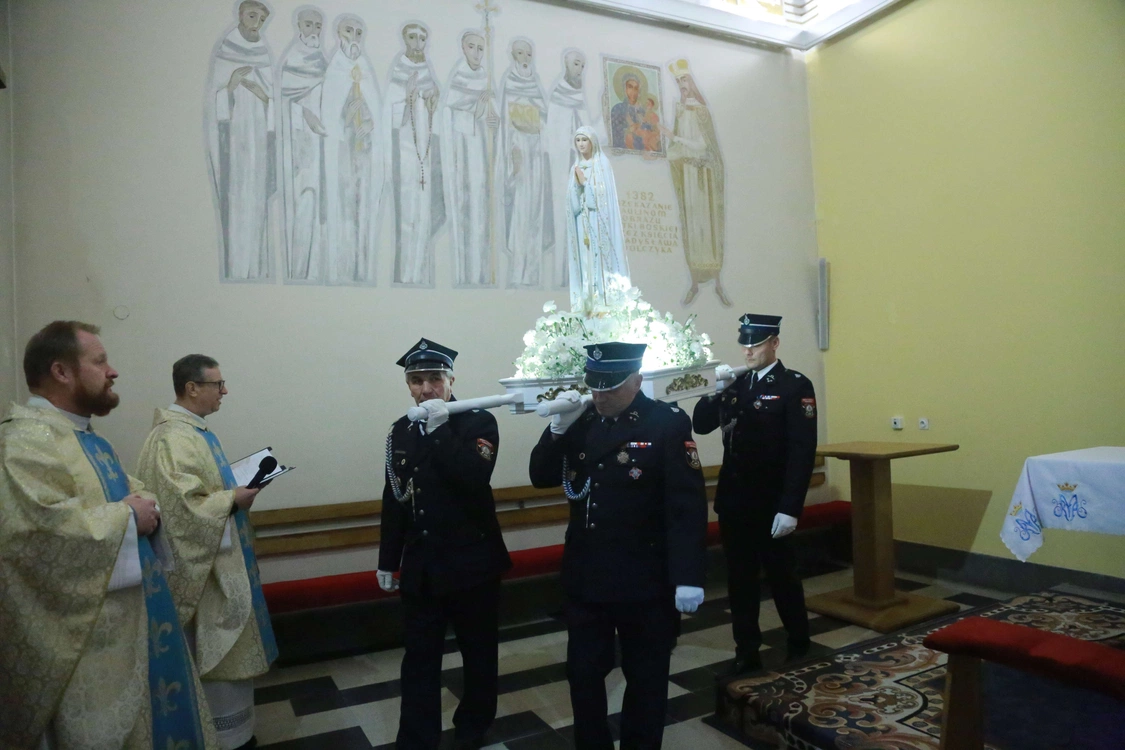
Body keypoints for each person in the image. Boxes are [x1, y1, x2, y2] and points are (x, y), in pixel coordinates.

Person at [0, 321, 217, 750]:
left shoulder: (85, 436)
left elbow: (127, 491)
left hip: (135, 624)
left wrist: (140, 503)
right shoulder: (26, 440)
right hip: (89, 648)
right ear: (62, 371)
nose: (112, 371)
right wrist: (127, 515)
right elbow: (34, 536)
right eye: (100, 362)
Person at [529, 342, 708, 750]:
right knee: (583, 675)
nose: (600, 395)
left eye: (610, 386)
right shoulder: (580, 419)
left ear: (637, 381)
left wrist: (688, 576)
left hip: (645, 578)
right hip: (587, 577)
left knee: (646, 679)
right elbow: (540, 475)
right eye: (594, 385)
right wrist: (556, 429)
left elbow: (685, 505)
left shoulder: (665, 423)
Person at [136, 355, 279, 750]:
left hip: (217, 560)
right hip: (201, 575)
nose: (224, 391)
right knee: (213, 654)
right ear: (192, 387)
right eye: (218, 384)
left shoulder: (194, 432)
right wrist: (232, 498)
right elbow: (181, 507)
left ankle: (235, 734)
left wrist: (233, 490)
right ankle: (222, 738)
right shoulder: (173, 437)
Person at [377, 339, 512, 750]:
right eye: (416, 381)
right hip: (423, 567)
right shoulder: (401, 430)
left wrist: (438, 431)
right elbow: (395, 497)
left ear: (451, 380)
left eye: (435, 378)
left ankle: (473, 728)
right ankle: (417, 739)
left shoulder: (477, 421)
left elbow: (473, 478)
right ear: (408, 386)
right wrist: (388, 559)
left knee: (479, 654)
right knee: (419, 659)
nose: (426, 389)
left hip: (473, 563)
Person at [692, 314, 817, 677]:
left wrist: (790, 508)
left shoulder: (794, 385)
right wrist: (714, 389)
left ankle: (799, 642)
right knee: (740, 581)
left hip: (772, 503)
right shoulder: (735, 383)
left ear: (774, 343)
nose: (748, 351)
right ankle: (746, 650)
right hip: (735, 502)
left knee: (782, 577)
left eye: (756, 344)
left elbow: (801, 451)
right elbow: (701, 424)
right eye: (744, 345)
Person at [206, 0, 276, 281]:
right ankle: (237, 269)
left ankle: (256, 269)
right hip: (234, 143)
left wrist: (265, 97)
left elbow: (272, 99)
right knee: (237, 201)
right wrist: (231, 86)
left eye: (261, 19)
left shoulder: (264, 52)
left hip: (258, 141)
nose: (256, 23)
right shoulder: (227, 48)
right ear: (240, 15)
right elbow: (214, 101)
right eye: (252, 16)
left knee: (257, 202)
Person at [661, 58, 730, 307]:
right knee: (692, 227)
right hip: (689, 174)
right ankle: (694, 283)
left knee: (709, 226)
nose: (682, 84)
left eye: (684, 79)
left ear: (691, 81)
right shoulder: (680, 111)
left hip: (705, 177)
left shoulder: (701, 111)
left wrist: (674, 137)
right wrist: (665, 151)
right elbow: (677, 147)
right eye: (678, 81)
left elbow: (702, 145)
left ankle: (718, 283)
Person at [384, 21, 446, 286]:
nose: (418, 44)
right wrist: (407, 97)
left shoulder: (427, 71)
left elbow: (434, 117)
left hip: (425, 157)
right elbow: (390, 113)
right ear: (404, 39)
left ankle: (420, 275)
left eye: (422, 39)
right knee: (407, 216)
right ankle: (405, 276)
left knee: (422, 216)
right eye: (412, 38)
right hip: (405, 155)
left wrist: (432, 101)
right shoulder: (399, 69)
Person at [321, 13, 382, 284]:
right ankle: (343, 272)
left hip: (364, 153)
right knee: (344, 208)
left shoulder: (365, 69)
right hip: (342, 154)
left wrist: (369, 123)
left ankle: (362, 271)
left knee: (363, 210)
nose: (354, 38)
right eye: (349, 31)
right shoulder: (334, 70)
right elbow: (329, 117)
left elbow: (375, 112)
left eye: (358, 33)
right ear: (338, 35)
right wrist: (346, 117)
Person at [440, 30, 498, 287]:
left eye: (481, 48)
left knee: (482, 213)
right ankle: (467, 275)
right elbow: (450, 117)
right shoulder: (458, 77)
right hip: (464, 159)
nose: (477, 53)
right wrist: (476, 110)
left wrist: (494, 123)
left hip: (482, 159)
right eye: (472, 47)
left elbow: (493, 118)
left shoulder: (487, 78)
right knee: (468, 211)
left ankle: (482, 274)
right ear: (463, 48)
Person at [278, 6, 329, 281]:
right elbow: (283, 102)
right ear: (299, 26)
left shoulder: (322, 60)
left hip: (320, 146)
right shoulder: (291, 59)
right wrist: (305, 114)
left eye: (318, 26)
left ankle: (313, 273)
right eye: (309, 25)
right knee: (302, 203)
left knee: (317, 205)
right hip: (298, 146)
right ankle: (297, 273)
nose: (314, 31)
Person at [498, 38, 551, 288]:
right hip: (519, 149)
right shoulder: (509, 82)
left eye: (528, 54)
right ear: (513, 56)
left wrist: (537, 124)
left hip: (536, 152)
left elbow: (544, 118)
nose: (525, 58)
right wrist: (512, 155)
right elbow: (506, 122)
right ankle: (518, 270)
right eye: (520, 53)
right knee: (521, 211)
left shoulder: (535, 84)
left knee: (536, 211)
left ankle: (532, 274)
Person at [566, 127, 630, 316]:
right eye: (578, 140)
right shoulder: (575, 167)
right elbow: (571, 203)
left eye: (584, 140)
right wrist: (576, 187)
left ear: (592, 142)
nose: (581, 144)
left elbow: (602, 198)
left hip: (598, 222)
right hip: (582, 223)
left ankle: (603, 302)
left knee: (598, 259)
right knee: (585, 261)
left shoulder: (602, 164)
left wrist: (585, 183)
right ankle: (588, 305)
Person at [545, 49, 594, 289]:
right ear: (566, 65)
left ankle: (580, 277)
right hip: (563, 170)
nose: (580, 70)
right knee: (563, 220)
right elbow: (554, 137)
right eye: (576, 64)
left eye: (582, 66)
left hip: (579, 174)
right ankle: (561, 276)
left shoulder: (578, 96)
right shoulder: (559, 96)